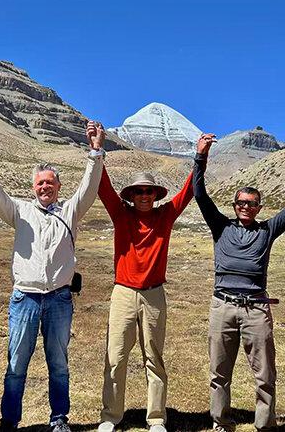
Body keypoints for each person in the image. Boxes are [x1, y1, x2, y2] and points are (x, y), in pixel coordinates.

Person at [0, 123, 106, 432]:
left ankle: (59, 419)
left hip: (59, 298)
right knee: (16, 365)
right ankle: (9, 421)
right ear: (34, 187)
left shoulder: (71, 210)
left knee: (58, 365)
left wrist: (95, 151)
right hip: (25, 299)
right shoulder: (19, 211)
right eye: (40, 183)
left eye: (50, 183)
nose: (45, 187)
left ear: (59, 186)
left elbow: (89, 186)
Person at [192, 133, 285, 432]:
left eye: (252, 203)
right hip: (222, 305)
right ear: (235, 205)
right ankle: (221, 422)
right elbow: (200, 194)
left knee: (264, 373)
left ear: (258, 207)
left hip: (256, 308)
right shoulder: (221, 226)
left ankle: (265, 425)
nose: (246, 207)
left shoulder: (267, 230)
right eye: (241, 202)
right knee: (219, 371)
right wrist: (200, 156)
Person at [96, 162, 194, 432]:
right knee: (116, 356)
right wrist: (96, 151)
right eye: (138, 191)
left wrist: (201, 156)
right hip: (124, 293)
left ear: (155, 194)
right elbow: (103, 189)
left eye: (148, 191)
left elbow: (189, 190)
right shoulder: (120, 214)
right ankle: (110, 416)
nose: (144, 195)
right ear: (131, 195)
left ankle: (156, 418)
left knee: (154, 356)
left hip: (154, 295)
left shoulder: (166, 216)